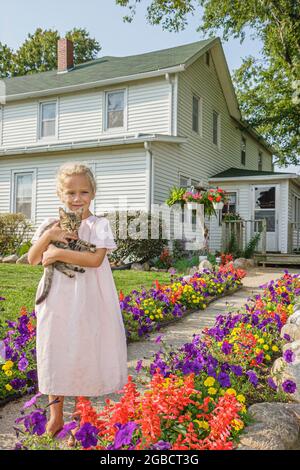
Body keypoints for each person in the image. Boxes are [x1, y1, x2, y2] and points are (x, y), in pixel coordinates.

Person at [27, 162, 128, 446]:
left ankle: (82, 421)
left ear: (92, 193)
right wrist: (49, 238)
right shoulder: (50, 224)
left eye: (83, 191)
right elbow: (34, 258)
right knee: (55, 351)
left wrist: (58, 253)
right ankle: (55, 417)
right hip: (56, 300)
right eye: (70, 192)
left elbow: (95, 259)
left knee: (83, 353)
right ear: (61, 194)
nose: (77, 198)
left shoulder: (99, 225)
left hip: (88, 299)